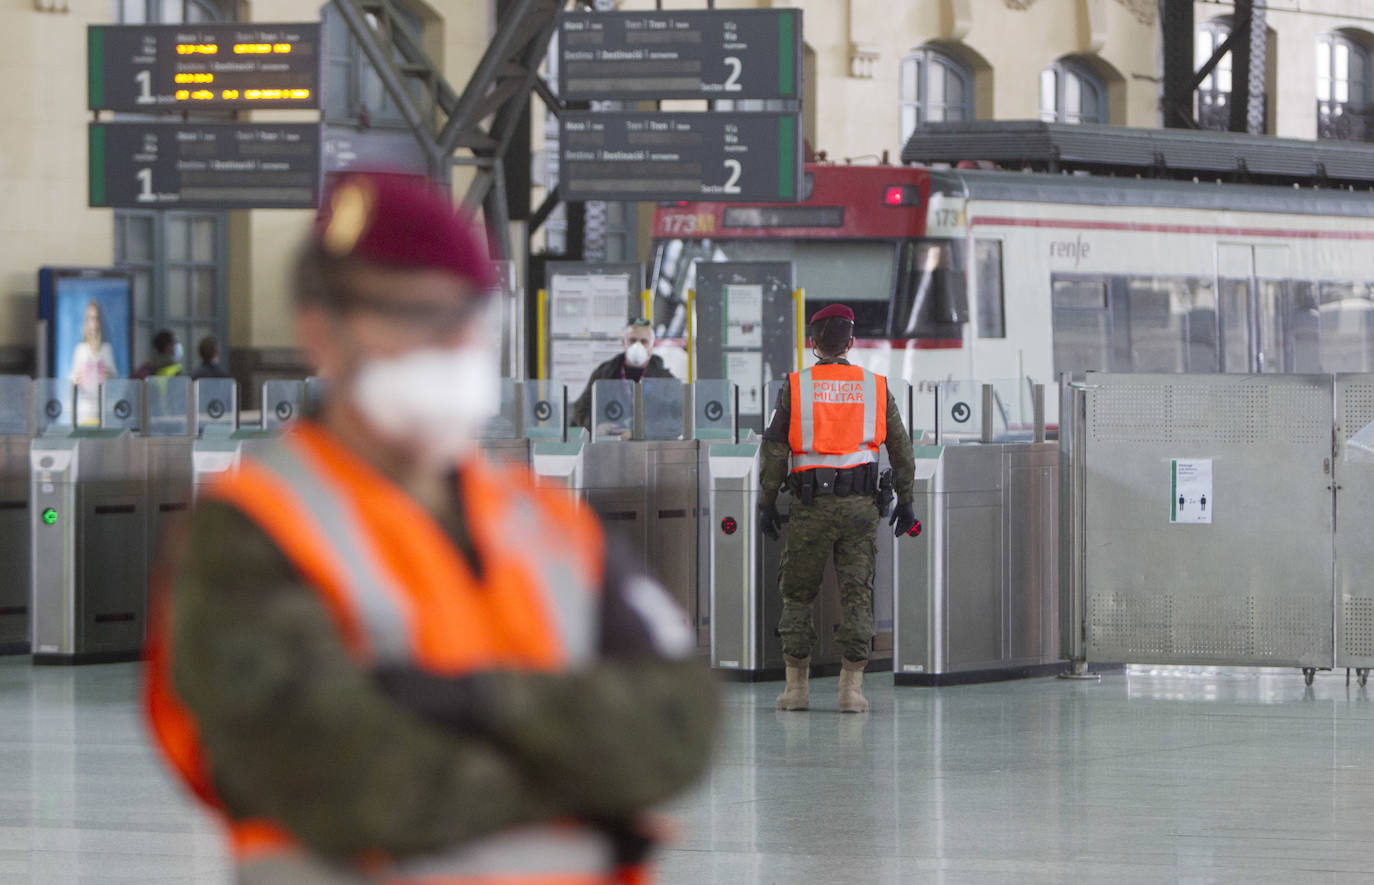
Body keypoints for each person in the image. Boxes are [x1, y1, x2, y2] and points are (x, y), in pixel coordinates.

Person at [144, 172, 719, 884]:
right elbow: (344, 776)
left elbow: (681, 718)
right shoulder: (255, 528)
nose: (451, 341)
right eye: (413, 314)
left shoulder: (544, 517)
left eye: (469, 316)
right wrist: (587, 795)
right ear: (321, 333)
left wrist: (471, 697)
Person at [756, 304, 918, 714]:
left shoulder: (795, 387)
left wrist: (766, 502)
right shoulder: (876, 387)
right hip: (862, 509)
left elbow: (774, 451)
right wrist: (908, 502)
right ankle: (851, 691)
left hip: (810, 509)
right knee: (857, 596)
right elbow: (902, 451)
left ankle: (796, 690)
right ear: (851, 342)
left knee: (796, 595)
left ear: (813, 344)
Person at [570, 319, 674, 431]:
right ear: (624, 343)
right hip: (611, 443)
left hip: (650, 445)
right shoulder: (604, 373)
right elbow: (581, 409)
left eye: (644, 341)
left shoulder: (665, 379)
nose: (637, 345)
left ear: (652, 346)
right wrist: (595, 426)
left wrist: (641, 431)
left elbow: (675, 418)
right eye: (632, 340)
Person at [70, 298, 118, 426]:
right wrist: (77, 380)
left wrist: (110, 377)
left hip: (104, 409)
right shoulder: (80, 350)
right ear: (86, 321)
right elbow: (72, 379)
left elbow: (116, 379)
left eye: (96, 318)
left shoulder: (106, 349)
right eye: (91, 318)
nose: (94, 323)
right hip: (84, 411)